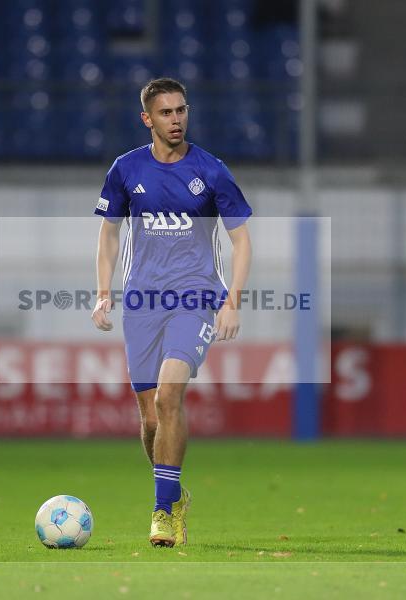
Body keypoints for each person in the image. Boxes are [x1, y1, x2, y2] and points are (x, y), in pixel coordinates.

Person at [91, 78, 253, 547]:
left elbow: (241, 240)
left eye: (181, 111)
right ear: (148, 119)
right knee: (150, 419)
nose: (176, 120)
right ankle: (173, 494)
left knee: (168, 398)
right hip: (142, 303)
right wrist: (104, 293)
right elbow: (108, 234)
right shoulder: (125, 169)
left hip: (195, 298)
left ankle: (163, 513)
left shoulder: (212, 171)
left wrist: (231, 300)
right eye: (166, 113)